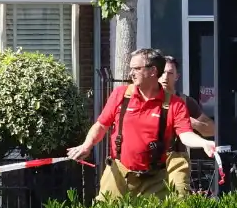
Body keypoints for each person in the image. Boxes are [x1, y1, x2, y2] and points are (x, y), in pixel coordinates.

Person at [67, 48, 216, 199]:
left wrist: (203, 143)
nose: (131, 73)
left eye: (137, 69)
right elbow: (101, 125)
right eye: (131, 68)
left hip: (155, 176)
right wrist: (87, 145)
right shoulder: (120, 94)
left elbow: (185, 135)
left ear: (153, 71)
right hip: (118, 171)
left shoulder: (175, 104)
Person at [161, 55, 216, 194]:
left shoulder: (185, 101)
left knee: (179, 198)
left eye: (170, 73)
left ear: (177, 77)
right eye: (162, 72)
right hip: (149, 159)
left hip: (176, 157)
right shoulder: (145, 100)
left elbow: (212, 129)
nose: (165, 77)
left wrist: (192, 123)